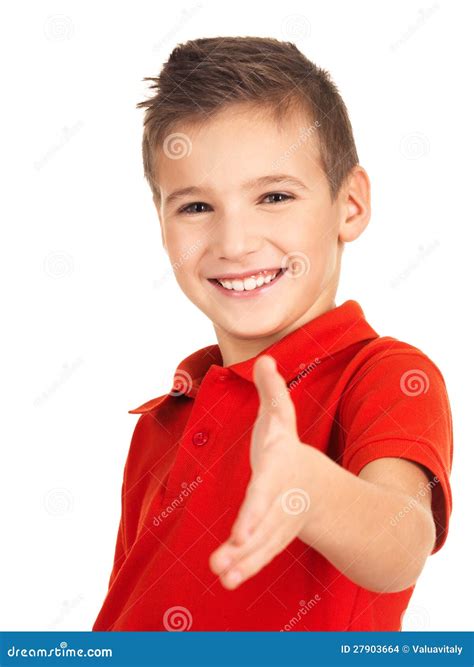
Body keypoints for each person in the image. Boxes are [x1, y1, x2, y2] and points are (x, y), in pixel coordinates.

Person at [92, 36, 452, 632]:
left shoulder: (385, 375)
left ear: (350, 205)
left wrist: (309, 489)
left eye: (274, 196)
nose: (234, 243)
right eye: (196, 208)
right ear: (160, 221)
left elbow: (402, 543)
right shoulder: (163, 418)